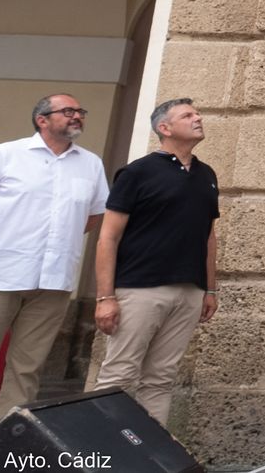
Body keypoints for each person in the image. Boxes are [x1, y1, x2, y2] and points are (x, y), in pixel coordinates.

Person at [0, 93, 108, 459]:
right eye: (68, 111)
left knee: (26, 372)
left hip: (52, 283)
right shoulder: (2, 155)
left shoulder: (91, 164)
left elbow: (94, 216)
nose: (77, 116)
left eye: (81, 111)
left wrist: (53, 243)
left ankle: (4, 452)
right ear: (42, 120)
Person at [94, 97, 220, 425]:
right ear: (164, 128)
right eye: (188, 115)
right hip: (139, 288)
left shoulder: (207, 174)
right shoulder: (137, 173)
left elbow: (208, 236)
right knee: (118, 378)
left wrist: (210, 290)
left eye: (197, 113)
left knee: (161, 380)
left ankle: (152, 459)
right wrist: (106, 297)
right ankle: (105, 457)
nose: (198, 118)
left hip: (189, 292)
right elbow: (108, 237)